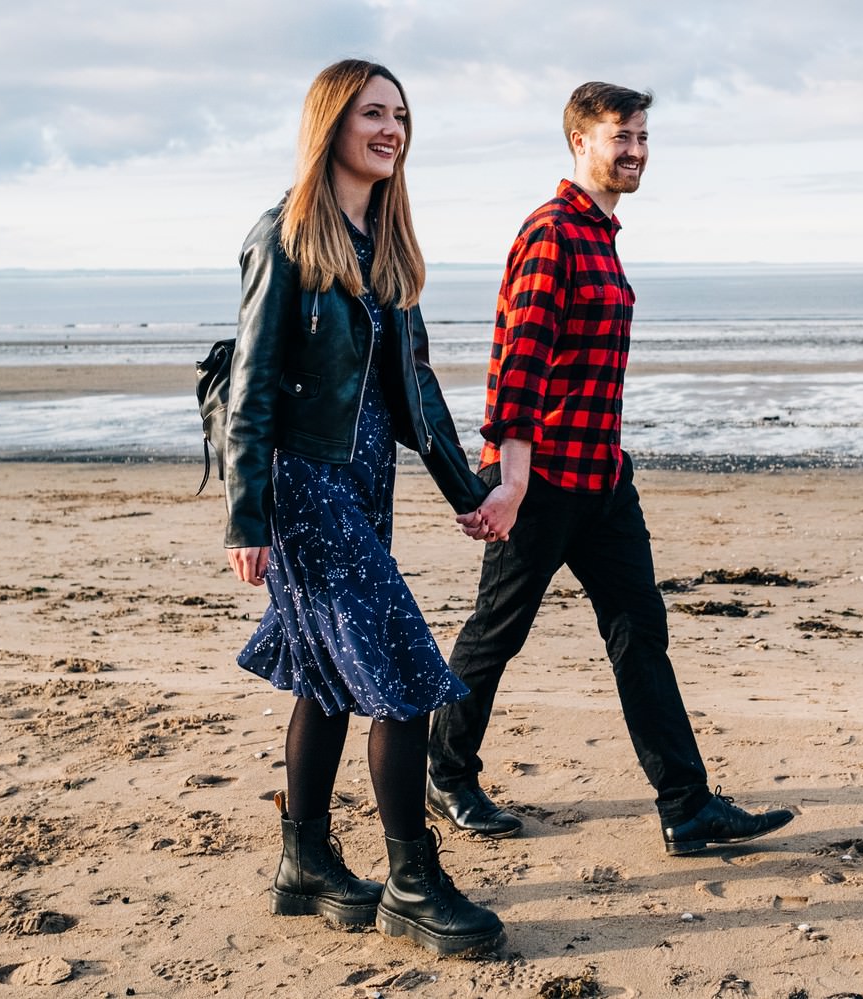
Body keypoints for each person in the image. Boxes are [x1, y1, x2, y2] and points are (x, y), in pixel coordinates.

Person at [428, 82, 794, 857]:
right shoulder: (553, 231)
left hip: (602, 479)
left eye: (641, 137)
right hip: (542, 479)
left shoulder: (602, 234)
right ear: (579, 142)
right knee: (497, 632)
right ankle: (445, 772)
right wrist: (513, 480)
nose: (634, 151)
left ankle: (685, 805)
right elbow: (518, 367)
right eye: (618, 137)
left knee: (640, 633)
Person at [223, 59, 502, 956]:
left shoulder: (381, 242)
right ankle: (413, 881)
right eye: (373, 113)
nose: (391, 129)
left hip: (365, 482)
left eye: (401, 116)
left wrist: (470, 491)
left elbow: (413, 387)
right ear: (332, 123)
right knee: (401, 671)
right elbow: (252, 388)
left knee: (327, 677)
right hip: (304, 488)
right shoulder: (286, 237)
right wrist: (247, 516)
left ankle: (303, 863)